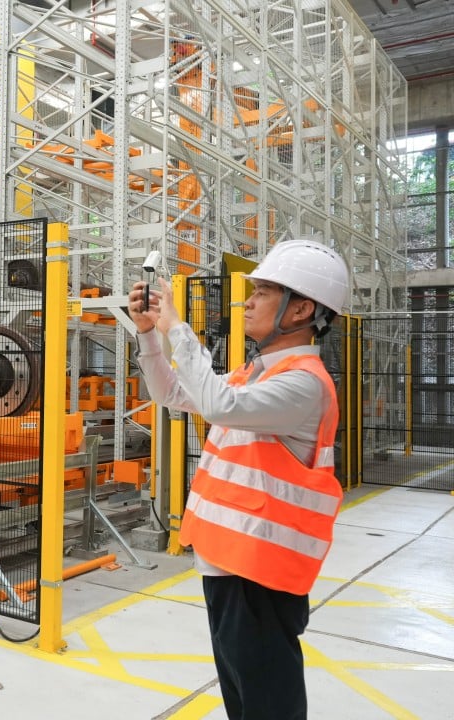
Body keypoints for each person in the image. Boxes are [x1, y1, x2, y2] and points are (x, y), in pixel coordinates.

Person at [128, 239, 349, 720]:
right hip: (230, 562)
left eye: (263, 292)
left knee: (267, 702)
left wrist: (177, 327)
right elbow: (172, 394)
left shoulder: (304, 382)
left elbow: (217, 406)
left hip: (260, 570)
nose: (248, 302)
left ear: (301, 310)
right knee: (244, 696)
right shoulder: (256, 374)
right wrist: (148, 334)